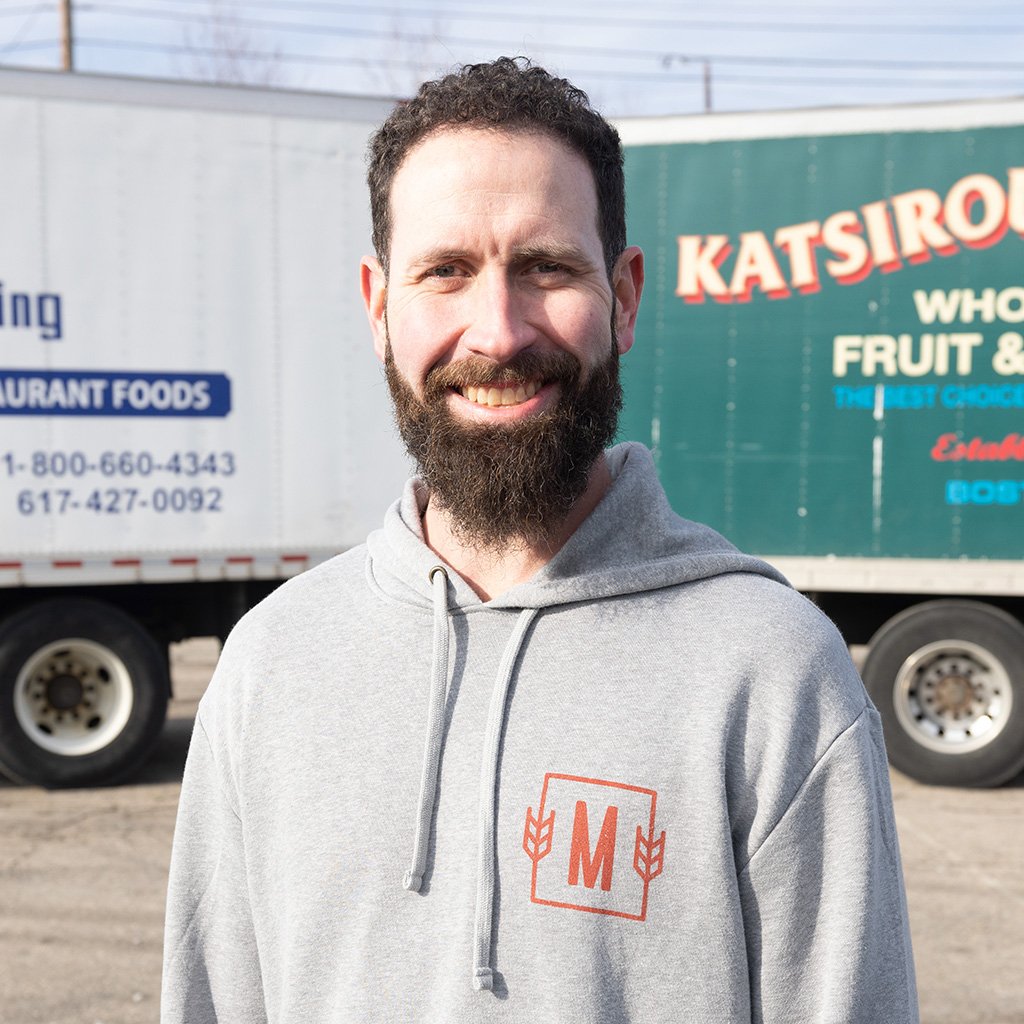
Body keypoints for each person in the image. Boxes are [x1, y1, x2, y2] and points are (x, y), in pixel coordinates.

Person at [161, 57, 919, 1023]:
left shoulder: (771, 671)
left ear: (626, 297)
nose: (499, 333)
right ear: (379, 307)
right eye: (445, 271)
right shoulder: (272, 663)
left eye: (547, 268)